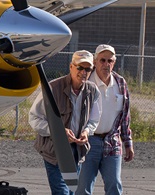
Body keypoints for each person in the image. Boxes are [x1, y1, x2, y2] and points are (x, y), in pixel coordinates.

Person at [29, 50, 102, 195]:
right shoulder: (53, 88)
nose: (83, 72)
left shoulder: (93, 91)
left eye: (87, 69)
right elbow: (34, 118)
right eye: (80, 67)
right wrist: (59, 132)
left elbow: (94, 119)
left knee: (71, 191)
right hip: (55, 151)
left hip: (77, 152)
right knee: (62, 192)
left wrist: (86, 132)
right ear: (71, 67)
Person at [76, 44, 135, 195]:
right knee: (83, 188)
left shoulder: (120, 83)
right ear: (95, 62)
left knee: (114, 185)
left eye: (110, 61)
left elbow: (125, 117)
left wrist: (128, 143)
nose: (106, 64)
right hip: (88, 141)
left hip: (112, 140)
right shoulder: (86, 83)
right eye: (102, 60)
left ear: (114, 63)